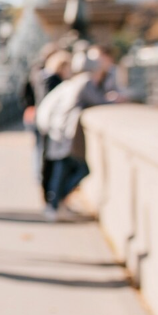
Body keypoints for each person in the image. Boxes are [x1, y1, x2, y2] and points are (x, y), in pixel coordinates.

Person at [35, 52, 112, 221]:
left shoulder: (72, 82)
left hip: (58, 133)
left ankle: (55, 205)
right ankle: (56, 204)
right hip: (66, 135)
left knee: (62, 171)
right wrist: (115, 100)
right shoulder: (85, 82)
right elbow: (99, 101)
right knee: (78, 169)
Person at [33, 50, 73, 203]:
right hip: (50, 124)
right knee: (49, 159)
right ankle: (50, 195)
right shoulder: (54, 81)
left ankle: (46, 192)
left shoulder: (42, 77)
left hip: (41, 120)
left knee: (42, 155)